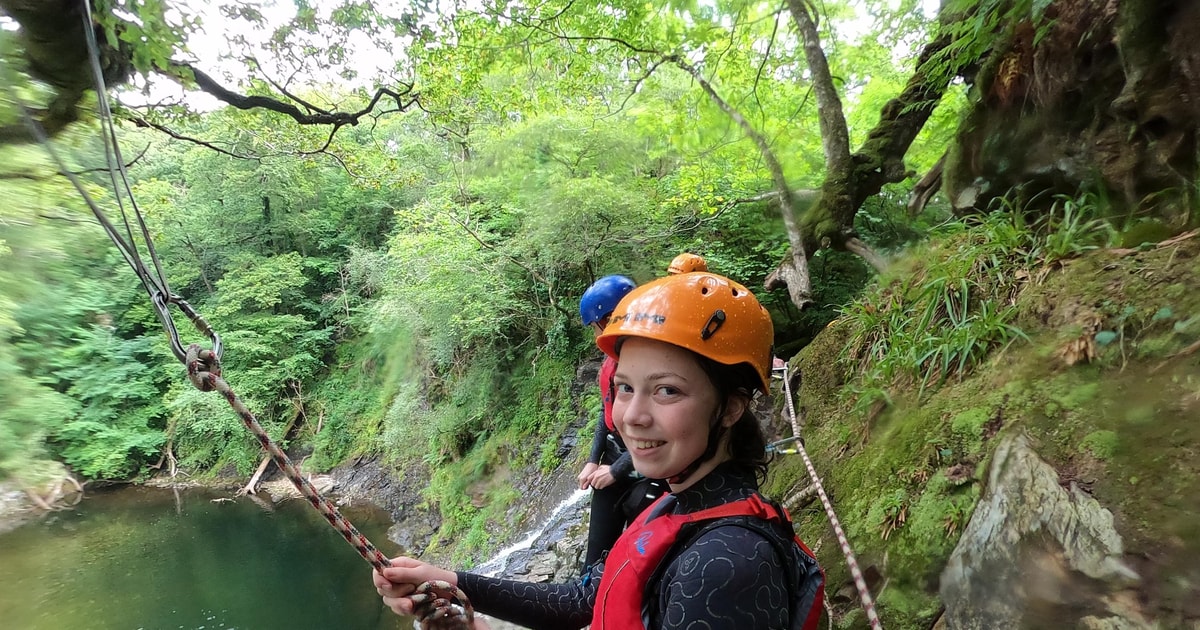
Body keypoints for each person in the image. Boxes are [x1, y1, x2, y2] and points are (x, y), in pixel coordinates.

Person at [374, 272, 826, 630]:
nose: (631, 416)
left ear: (729, 408)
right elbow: (584, 600)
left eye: (667, 391)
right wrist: (450, 583)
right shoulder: (676, 504)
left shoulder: (724, 566)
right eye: (626, 387)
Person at [575, 275, 667, 570]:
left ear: (612, 317)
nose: (596, 335)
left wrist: (616, 470)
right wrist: (594, 461)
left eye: (598, 325)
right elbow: (607, 416)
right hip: (618, 457)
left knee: (643, 556)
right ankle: (589, 598)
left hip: (652, 467)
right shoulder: (613, 361)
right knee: (593, 562)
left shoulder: (658, 363)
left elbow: (662, 428)